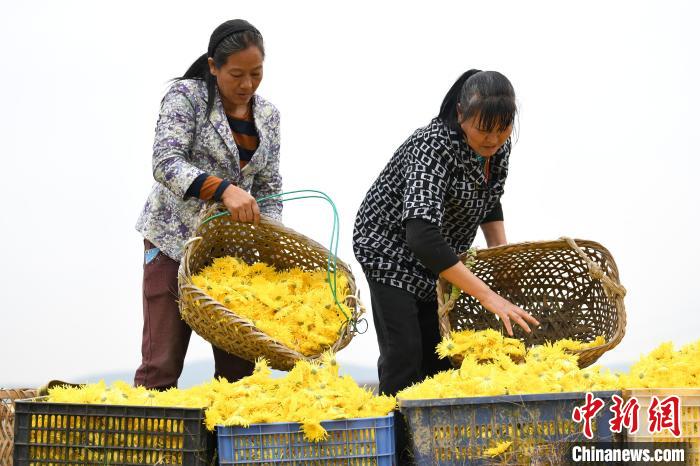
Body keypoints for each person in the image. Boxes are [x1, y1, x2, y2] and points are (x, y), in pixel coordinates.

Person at [352, 69, 540, 463]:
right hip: (390, 248)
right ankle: (394, 453)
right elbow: (421, 234)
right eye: (483, 129)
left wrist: (499, 258)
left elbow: (490, 199)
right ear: (460, 113)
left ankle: (433, 451)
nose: (492, 139)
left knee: (439, 358)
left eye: (502, 130)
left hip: (440, 256)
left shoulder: (497, 149)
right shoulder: (432, 145)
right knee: (405, 356)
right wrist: (488, 296)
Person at [134, 19, 283, 390]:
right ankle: (155, 442)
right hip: (173, 242)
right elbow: (166, 162)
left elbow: (270, 183)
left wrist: (271, 236)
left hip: (230, 254)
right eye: (236, 74)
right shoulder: (187, 97)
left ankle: (224, 447)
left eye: (256, 73)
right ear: (214, 67)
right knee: (162, 362)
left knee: (240, 368)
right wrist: (224, 190)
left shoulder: (268, 116)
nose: (247, 84)